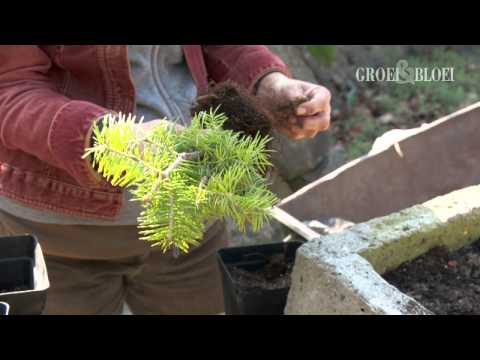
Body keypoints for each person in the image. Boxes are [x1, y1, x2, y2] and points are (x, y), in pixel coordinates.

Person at [0, 45, 331, 314]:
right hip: (62, 237)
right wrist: (111, 137)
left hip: (193, 213)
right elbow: (10, 88)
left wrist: (267, 83)